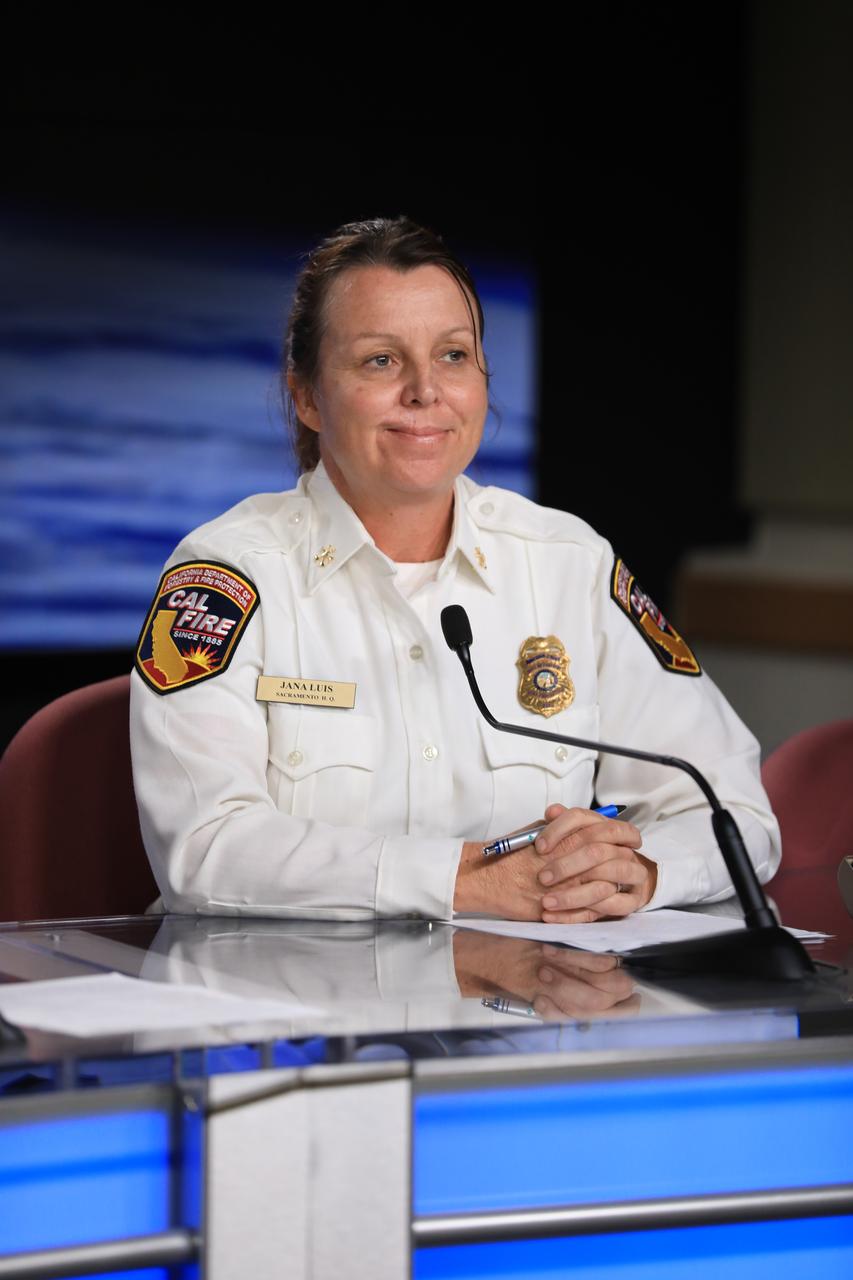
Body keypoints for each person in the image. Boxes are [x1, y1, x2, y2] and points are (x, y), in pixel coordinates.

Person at [130, 216, 780, 924]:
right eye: (380, 360)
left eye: (452, 355)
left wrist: (637, 869)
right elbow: (204, 848)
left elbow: (734, 812)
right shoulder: (224, 576)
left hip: (529, 1013)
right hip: (294, 1019)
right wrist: (461, 879)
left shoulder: (567, 563)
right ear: (308, 396)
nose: (424, 391)